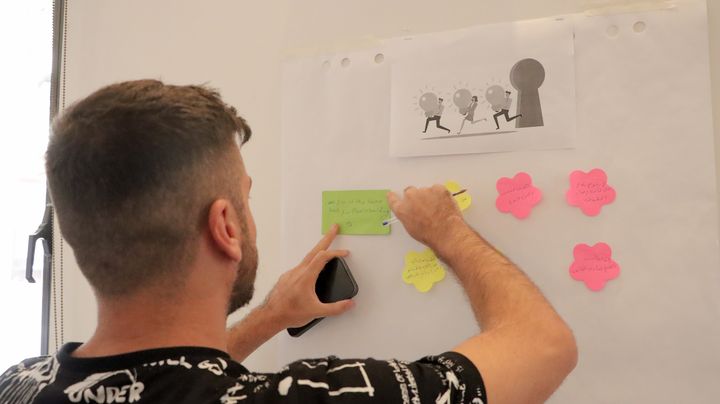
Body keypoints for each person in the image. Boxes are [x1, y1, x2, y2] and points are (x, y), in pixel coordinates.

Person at [0, 80, 577, 404]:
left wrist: (270, 316)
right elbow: (544, 345)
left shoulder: (20, 385)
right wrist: (446, 231)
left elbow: (164, 383)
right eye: (246, 197)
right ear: (226, 227)